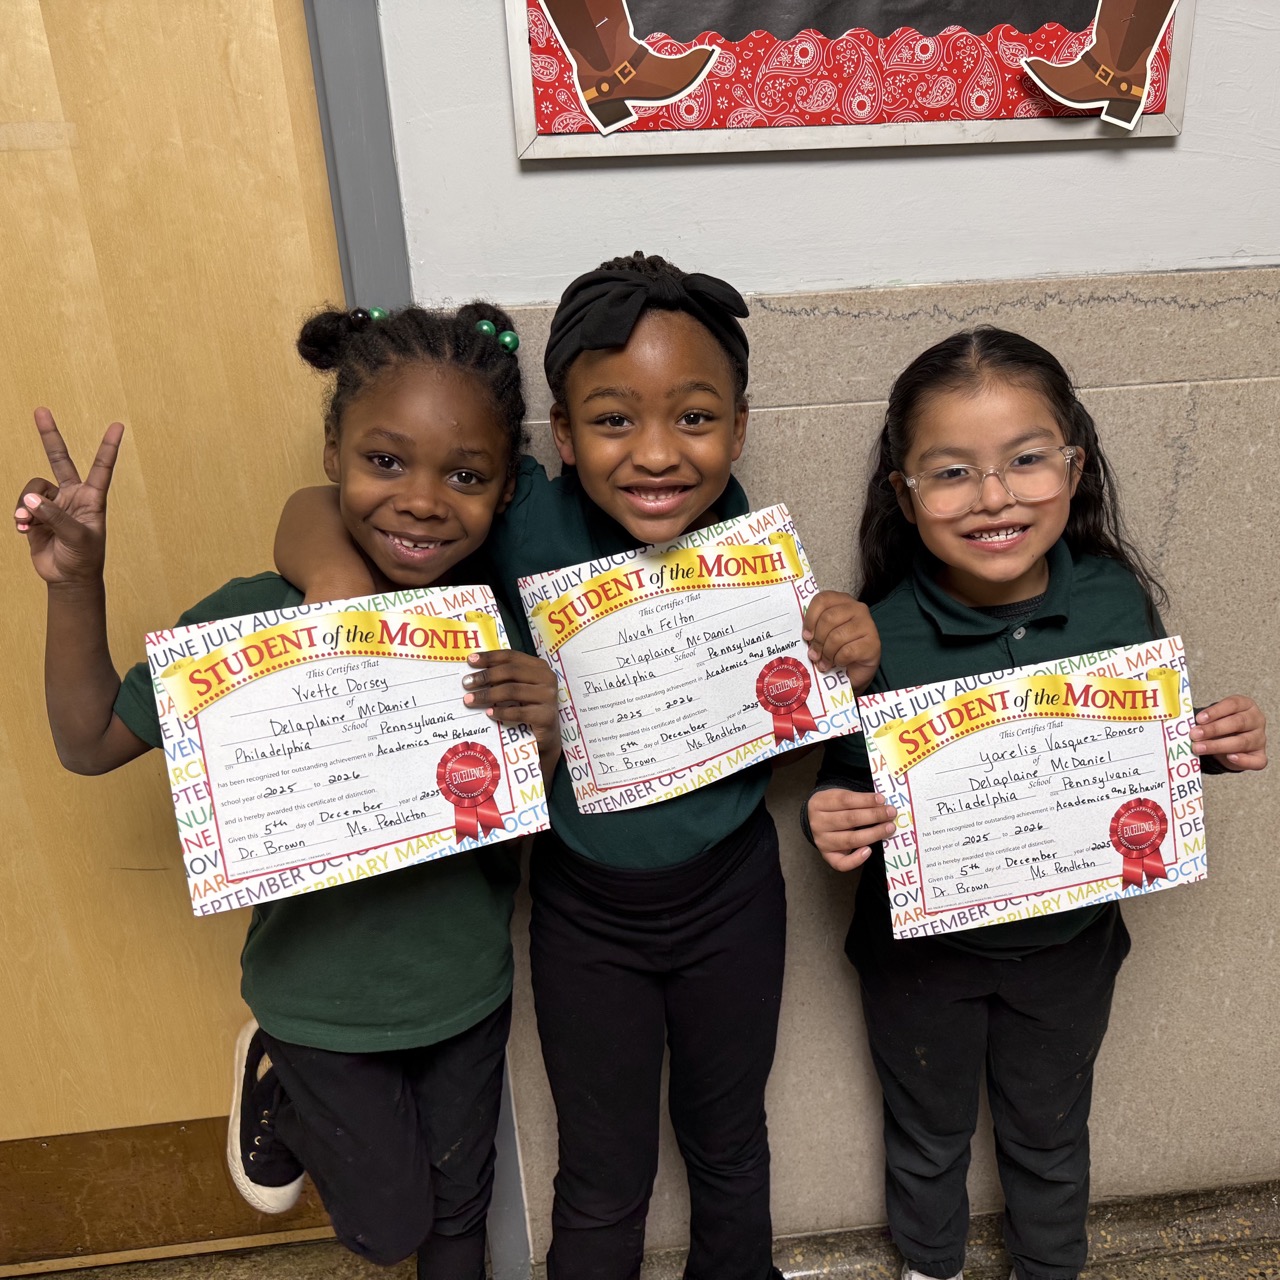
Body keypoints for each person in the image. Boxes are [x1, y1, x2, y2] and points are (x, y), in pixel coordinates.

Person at [275, 252, 882, 1280]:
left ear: (737, 430)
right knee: (602, 1172)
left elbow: (812, 709)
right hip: (583, 913)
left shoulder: (742, 541)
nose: (655, 453)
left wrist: (850, 651)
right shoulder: (514, 521)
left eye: (692, 418)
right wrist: (341, 585)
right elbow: (308, 505)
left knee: (729, 1141)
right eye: (612, 420)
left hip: (732, 895)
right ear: (559, 435)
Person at [14, 302, 562, 1280]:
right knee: (386, 1225)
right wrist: (73, 585)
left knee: (459, 1205)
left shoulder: (490, 621)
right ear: (331, 452)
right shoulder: (258, 617)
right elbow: (90, 740)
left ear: (502, 486)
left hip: (466, 987)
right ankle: (273, 1074)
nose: (424, 500)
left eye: (463, 474)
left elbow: (513, 824)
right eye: (386, 462)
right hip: (316, 1005)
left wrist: (548, 731)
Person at [804, 326, 1267, 1280]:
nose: (995, 497)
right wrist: (837, 814)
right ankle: (928, 1265)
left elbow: (1135, 762)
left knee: (1052, 1136)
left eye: (1025, 461)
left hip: (1071, 951)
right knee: (926, 1136)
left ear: (1074, 464)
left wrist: (1207, 749)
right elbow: (849, 784)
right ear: (904, 491)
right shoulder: (876, 635)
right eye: (952, 472)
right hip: (919, 960)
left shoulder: (1112, 601)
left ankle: (1051, 1268)